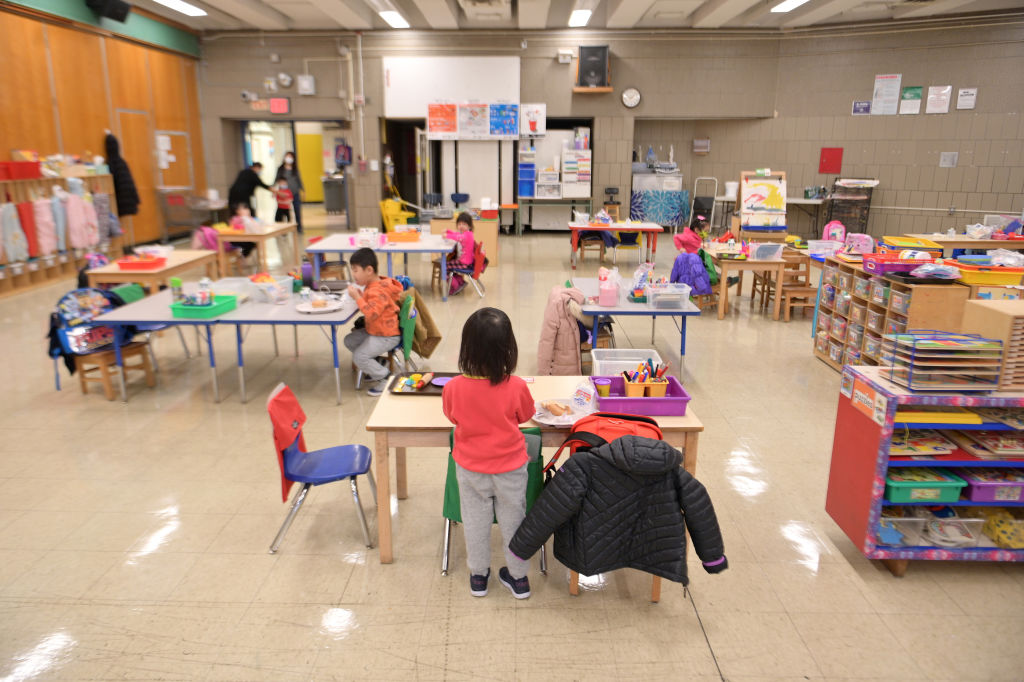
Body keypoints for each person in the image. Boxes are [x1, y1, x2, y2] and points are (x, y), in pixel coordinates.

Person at [442, 308, 536, 599]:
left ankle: (478, 577)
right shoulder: (517, 386)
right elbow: (526, 415)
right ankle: (519, 579)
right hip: (510, 468)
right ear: (508, 350)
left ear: (466, 348)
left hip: (471, 468)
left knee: (475, 521)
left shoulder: (454, 387)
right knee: (513, 521)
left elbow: (452, 416)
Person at [343, 248, 404, 397]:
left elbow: (371, 312)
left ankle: (385, 378)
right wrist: (361, 296)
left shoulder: (378, 290)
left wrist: (357, 298)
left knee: (359, 357)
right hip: (376, 331)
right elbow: (374, 305)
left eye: (356, 270)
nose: (353, 274)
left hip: (386, 335)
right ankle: (377, 363)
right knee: (350, 340)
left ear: (369, 270)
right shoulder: (374, 286)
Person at [444, 211, 475, 296]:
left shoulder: (466, 235)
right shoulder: (468, 233)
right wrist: (448, 231)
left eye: (464, 224)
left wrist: (446, 236)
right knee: (448, 265)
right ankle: (460, 282)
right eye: (459, 224)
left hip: (464, 263)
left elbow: (458, 237)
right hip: (466, 262)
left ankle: (455, 286)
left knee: (444, 266)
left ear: (469, 226)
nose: (461, 226)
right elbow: (457, 234)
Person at [275, 152, 304, 232]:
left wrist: (303, 190)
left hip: (295, 193)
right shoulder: (280, 169)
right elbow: (276, 179)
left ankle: (299, 227)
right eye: (287, 156)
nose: (289, 158)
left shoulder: (295, 169)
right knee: (283, 212)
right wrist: (274, 190)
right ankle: (283, 228)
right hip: (283, 194)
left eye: (290, 157)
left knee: (297, 210)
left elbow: (299, 180)